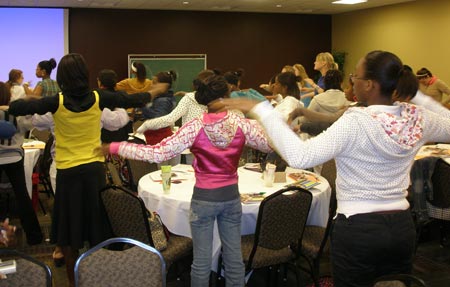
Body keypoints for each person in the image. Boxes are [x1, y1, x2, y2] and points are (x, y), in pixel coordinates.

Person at [210, 50, 450, 287]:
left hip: (359, 229)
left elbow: (301, 156)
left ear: (370, 85)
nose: (352, 81)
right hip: (401, 228)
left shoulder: (357, 120)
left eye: (356, 76)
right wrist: (417, 96)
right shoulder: (416, 117)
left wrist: (262, 110)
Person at [8, 53, 168, 286]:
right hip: (94, 172)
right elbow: (135, 99)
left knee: (70, 234)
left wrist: (16, 98)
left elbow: (19, 107)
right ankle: (97, 276)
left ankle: (74, 282)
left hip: (67, 173)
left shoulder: (56, 101)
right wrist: (156, 90)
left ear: (62, 77)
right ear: (85, 75)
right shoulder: (98, 97)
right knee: (96, 227)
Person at [103, 74, 273, 287]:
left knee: (201, 261)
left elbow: (157, 153)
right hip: (230, 198)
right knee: (234, 259)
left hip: (203, 199)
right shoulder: (241, 124)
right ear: (225, 97)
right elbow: (269, 144)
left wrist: (116, 146)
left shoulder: (195, 126)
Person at [0, 81, 43, 246]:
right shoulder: (16, 113)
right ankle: (34, 236)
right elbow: (31, 124)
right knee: (22, 196)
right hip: (15, 158)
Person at [141, 70, 178, 145]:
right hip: (156, 137)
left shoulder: (164, 100)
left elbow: (158, 120)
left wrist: (143, 106)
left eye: (154, 83)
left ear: (164, 85)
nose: (151, 85)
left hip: (159, 139)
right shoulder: (161, 98)